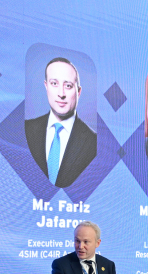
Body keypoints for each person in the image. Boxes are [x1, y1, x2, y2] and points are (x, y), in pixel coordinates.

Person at [25, 57, 97, 188]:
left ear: (78, 92)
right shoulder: (26, 129)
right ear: (46, 86)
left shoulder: (94, 143)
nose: (61, 93)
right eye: (54, 84)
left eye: (68, 86)